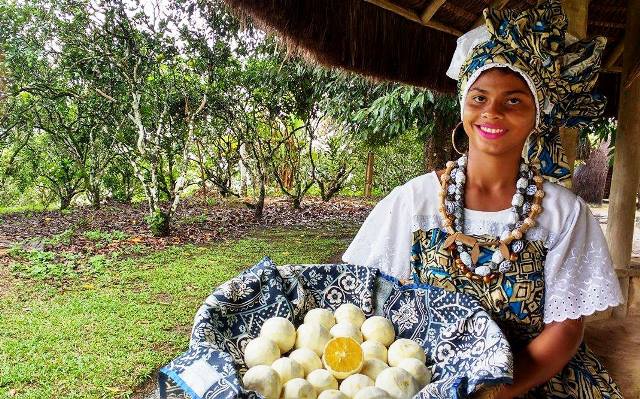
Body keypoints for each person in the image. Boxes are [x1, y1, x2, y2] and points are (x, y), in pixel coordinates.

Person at [342, 1, 624, 398]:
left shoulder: (562, 213)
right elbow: (365, 296)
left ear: (536, 116)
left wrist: (494, 392)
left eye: (514, 100)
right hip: (427, 378)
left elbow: (565, 329)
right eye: (479, 98)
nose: (492, 112)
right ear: (463, 106)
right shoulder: (414, 202)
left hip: (533, 379)